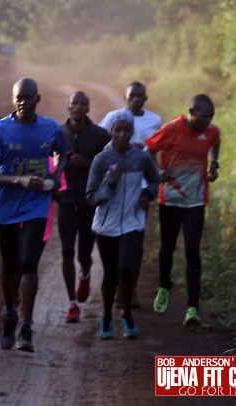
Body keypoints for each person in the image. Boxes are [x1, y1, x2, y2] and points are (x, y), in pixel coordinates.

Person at [0, 77, 67, 352]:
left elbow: (62, 152)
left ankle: (26, 326)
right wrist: (18, 180)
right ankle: (9, 313)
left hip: (37, 204)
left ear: (37, 99)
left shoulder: (50, 127)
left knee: (29, 263)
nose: (23, 102)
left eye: (28, 97)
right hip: (7, 207)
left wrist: (55, 174)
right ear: (13, 100)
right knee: (10, 265)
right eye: (19, 97)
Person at [145, 94, 220, 327]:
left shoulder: (211, 131)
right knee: (167, 248)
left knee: (192, 250)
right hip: (170, 200)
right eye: (203, 117)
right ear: (190, 112)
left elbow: (215, 141)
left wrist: (213, 164)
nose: (207, 121)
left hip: (196, 201)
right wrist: (158, 171)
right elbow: (148, 150)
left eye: (211, 117)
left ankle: (192, 308)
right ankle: (164, 286)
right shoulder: (171, 129)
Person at [86, 110, 160, 339]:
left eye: (126, 130)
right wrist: (111, 184)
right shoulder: (101, 160)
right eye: (117, 130)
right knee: (110, 276)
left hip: (132, 222)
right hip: (106, 226)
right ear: (111, 132)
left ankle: (127, 314)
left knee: (126, 270)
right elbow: (91, 197)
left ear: (131, 132)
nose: (121, 134)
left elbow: (155, 178)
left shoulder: (141, 157)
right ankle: (107, 317)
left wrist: (148, 194)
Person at [99, 82, 162, 309]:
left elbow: (154, 153)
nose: (135, 99)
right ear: (125, 97)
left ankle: (131, 288)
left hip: (141, 186)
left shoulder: (155, 121)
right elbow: (100, 143)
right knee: (116, 235)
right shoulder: (112, 117)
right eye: (131, 95)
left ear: (145, 98)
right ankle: (117, 284)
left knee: (136, 237)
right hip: (115, 185)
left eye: (139, 96)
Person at [56, 92, 110, 323]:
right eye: (74, 103)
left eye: (83, 104)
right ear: (68, 107)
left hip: (90, 202)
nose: (78, 107)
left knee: (84, 253)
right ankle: (72, 304)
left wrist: (89, 163)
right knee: (67, 251)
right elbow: (49, 160)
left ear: (88, 108)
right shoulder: (58, 133)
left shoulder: (100, 135)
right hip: (65, 200)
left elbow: (111, 165)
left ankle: (86, 273)